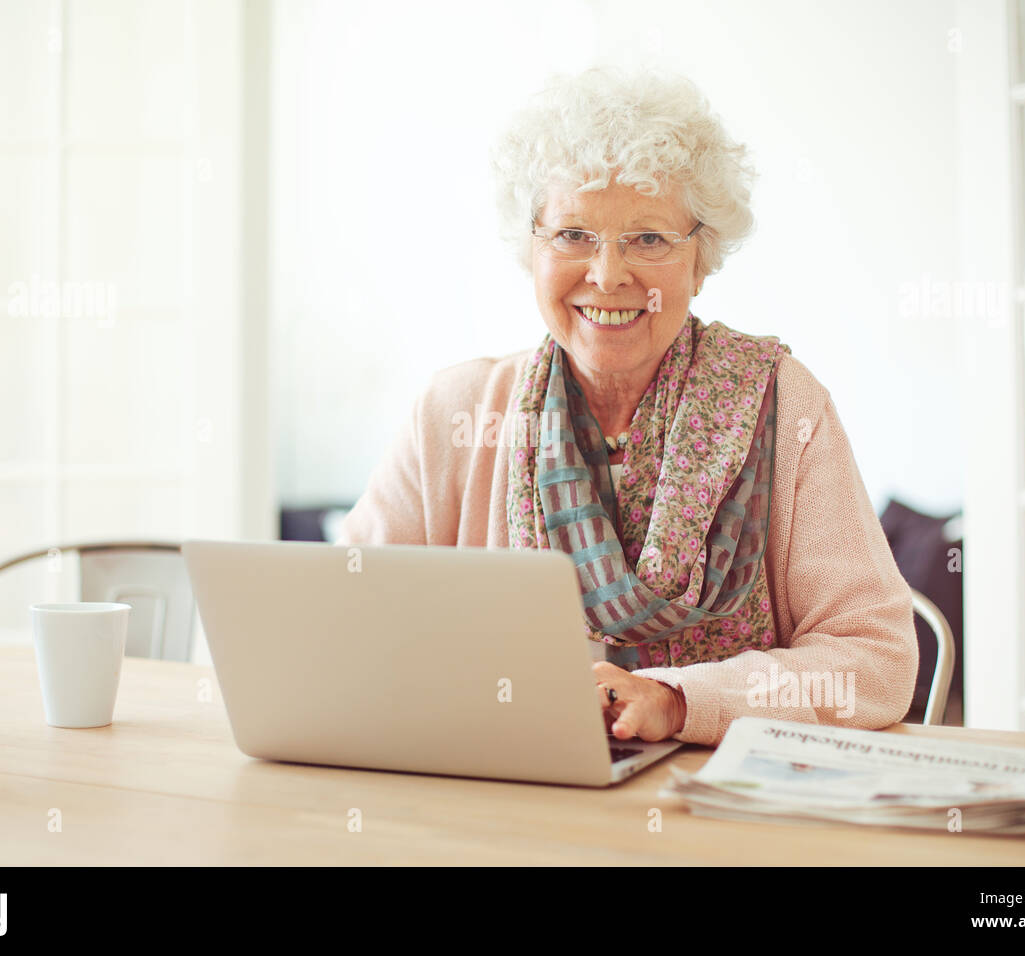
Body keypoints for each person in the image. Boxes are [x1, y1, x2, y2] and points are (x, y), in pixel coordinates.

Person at [338, 66, 918, 748]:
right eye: (573, 235)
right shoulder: (456, 411)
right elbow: (349, 616)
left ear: (702, 259)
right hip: (506, 787)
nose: (608, 275)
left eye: (648, 239)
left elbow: (873, 665)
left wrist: (680, 701)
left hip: (718, 814)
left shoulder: (787, 404)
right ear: (530, 249)